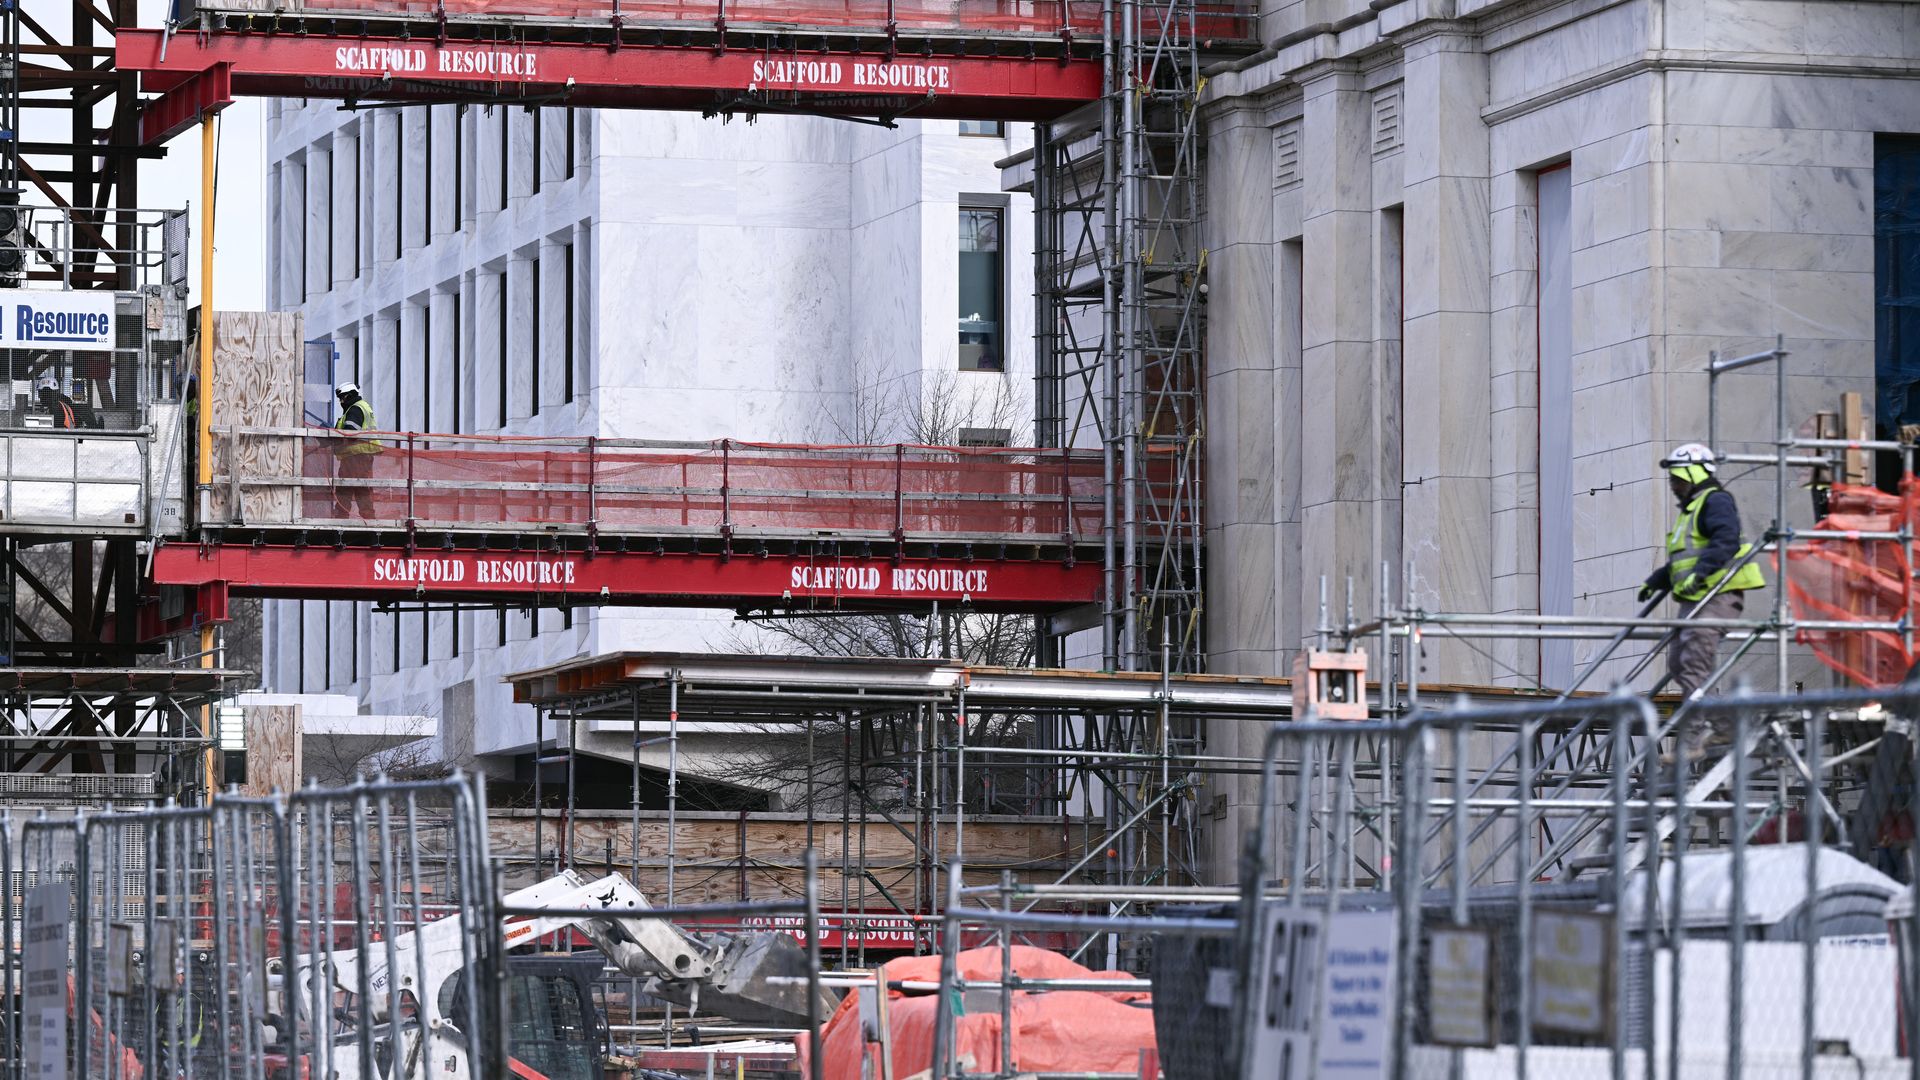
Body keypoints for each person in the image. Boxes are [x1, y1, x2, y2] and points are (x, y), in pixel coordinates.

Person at [1637, 442, 1766, 756]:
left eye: (1677, 479)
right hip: (1697, 597)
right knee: (1678, 662)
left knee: (1694, 662)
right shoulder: (1693, 509)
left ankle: (1692, 741)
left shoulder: (1715, 501)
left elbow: (1725, 541)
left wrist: (1700, 574)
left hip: (1717, 594)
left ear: (1694, 475)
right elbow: (1685, 559)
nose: (1673, 485)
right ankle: (1724, 726)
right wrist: (1658, 580)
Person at [331, 382, 382, 519]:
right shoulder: (360, 407)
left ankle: (342, 515)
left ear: (350, 395)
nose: (341, 401)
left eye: (343, 397)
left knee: (347, 486)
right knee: (359, 485)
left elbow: (350, 432)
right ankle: (367, 516)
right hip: (359, 454)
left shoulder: (355, 409)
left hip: (356, 454)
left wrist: (333, 437)